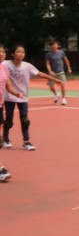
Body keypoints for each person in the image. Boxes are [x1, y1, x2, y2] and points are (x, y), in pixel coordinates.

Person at [2, 45, 62, 151]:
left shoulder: (27, 66)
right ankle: (5, 139)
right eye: (18, 51)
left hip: (23, 96)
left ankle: (26, 141)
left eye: (23, 52)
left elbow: (39, 73)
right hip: (10, 97)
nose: (21, 54)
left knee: (25, 120)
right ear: (12, 54)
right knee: (8, 121)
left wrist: (54, 79)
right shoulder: (5, 64)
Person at [0, 44, 25, 181]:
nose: (2, 53)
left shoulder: (3, 67)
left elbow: (7, 84)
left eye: (3, 51)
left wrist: (16, 93)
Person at [45, 40, 71, 105]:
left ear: (57, 45)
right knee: (51, 86)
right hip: (52, 73)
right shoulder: (48, 54)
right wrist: (50, 71)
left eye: (56, 44)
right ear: (51, 46)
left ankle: (63, 99)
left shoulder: (61, 52)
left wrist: (69, 68)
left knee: (62, 85)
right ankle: (56, 94)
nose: (55, 45)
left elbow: (66, 60)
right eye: (53, 44)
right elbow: (47, 64)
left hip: (61, 72)